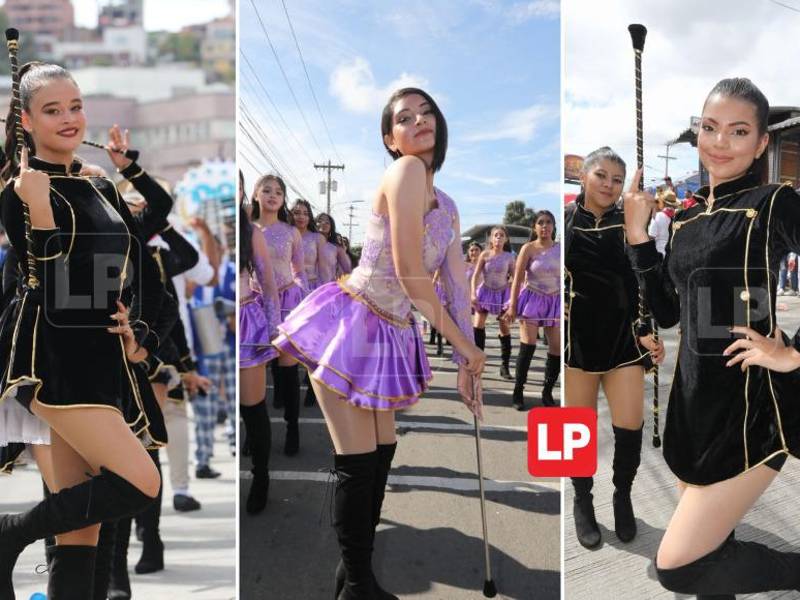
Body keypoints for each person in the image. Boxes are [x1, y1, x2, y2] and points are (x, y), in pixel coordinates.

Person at [273, 87, 485, 600]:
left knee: (382, 452)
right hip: (352, 323)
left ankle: (353, 574)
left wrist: (467, 360)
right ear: (391, 141)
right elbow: (413, 276)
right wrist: (466, 346)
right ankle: (360, 586)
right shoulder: (406, 172)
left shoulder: (450, 205)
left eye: (426, 112)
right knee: (359, 460)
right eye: (404, 118)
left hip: (389, 330)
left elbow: (456, 286)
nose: (418, 122)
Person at [625, 77, 800, 596]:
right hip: (693, 404)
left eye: (739, 130)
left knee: (679, 567)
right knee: (710, 555)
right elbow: (669, 312)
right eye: (710, 127)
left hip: (749, 410)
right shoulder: (688, 214)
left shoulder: (774, 203)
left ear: (762, 142)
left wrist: (791, 353)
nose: (720, 142)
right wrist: (638, 238)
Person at [0, 61, 165, 598]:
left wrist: (131, 324)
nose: (69, 118)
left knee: (80, 535)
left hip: (102, 355)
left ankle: (13, 536)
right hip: (55, 360)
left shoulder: (101, 185)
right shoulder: (22, 190)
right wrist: (40, 208)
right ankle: (11, 534)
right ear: (26, 120)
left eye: (75, 105)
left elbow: (130, 264)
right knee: (143, 482)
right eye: (52, 110)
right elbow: (50, 286)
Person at [564, 146, 664, 549]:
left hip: (624, 340)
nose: (609, 185)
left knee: (629, 429)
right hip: (577, 344)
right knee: (574, 431)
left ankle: (622, 497)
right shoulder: (567, 222)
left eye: (617, 179)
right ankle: (582, 501)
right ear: (584, 177)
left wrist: (648, 329)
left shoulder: (631, 222)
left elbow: (646, 280)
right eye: (601, 175)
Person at [252, 175, 306, 455]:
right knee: (255, 370)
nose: (273, 195)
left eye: (279, 192)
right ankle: (252, 431)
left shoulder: (290, 232)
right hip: (254, 305)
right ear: (256, 195)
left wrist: (303, 298)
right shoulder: (247, 229)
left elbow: (299, 271)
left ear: (283, 199)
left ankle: (292, 428)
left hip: (287, 303)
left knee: (287, 371)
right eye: (267, 190)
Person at [239, 176, 280, 514]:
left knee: (252, 409)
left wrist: (274, 330)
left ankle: (261, 477)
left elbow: (268, 284)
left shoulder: (250, 233)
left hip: (245, 323)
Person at [504, 210, 560, 410]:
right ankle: (518, 391)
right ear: (535, 227)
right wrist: (512, 306)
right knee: (528, 346)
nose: (544, 226)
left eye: (548, 222)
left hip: (555, 301)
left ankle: (547, 392)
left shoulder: (561, 248)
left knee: (556, 348)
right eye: (540, 222)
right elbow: (517, 279)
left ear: (554, 226)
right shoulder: (528, 248)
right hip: (532, 300)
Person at [471, 226, 516, 378]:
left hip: (503, 294)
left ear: (506, 239)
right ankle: (478, 363)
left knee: (504, 327)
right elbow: (475, 275)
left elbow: (516, 278)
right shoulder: (485, 254)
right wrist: (472, 293)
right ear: (491, 239)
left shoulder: (509, 257)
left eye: (501, 235)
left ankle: (505, 366)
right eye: (495, 235)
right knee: (478, 325)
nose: (498, 238)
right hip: (485, 292)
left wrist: (513, 297)